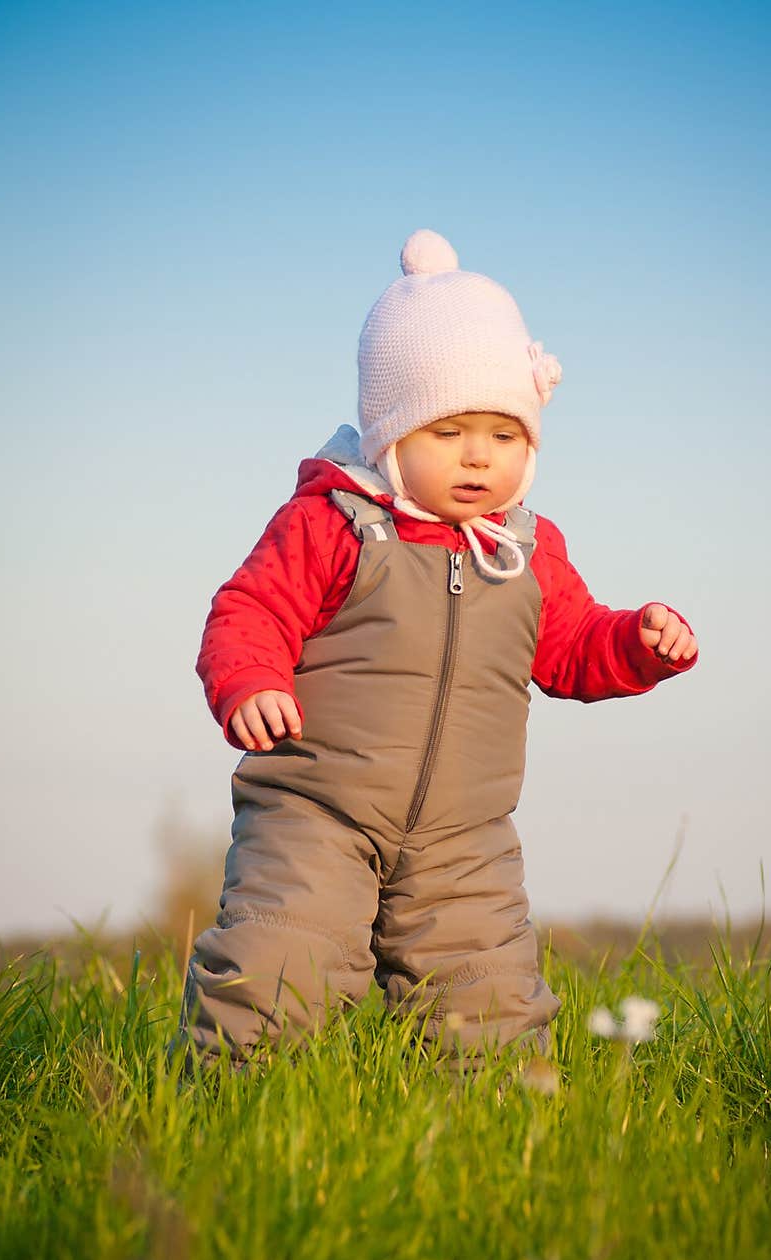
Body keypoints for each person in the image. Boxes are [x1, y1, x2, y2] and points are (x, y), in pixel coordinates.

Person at [173, 228, 698, 1075]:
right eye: (450, 429)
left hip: (466, 837)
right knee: (281, 964)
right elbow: (250, 608)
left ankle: (495, 1145)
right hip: (319, 810)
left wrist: (638, 642)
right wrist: (249, 679)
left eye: (504, 432)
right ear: (391, 433)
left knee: (488, 997)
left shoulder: (525, 550)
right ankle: (222, 1103)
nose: (479, 454)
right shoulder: (336, 521)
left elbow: (568, 646)